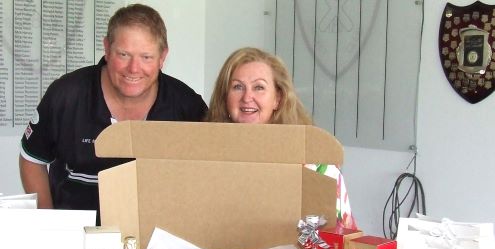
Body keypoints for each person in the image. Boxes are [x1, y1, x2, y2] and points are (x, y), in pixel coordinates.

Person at [19, 3, 207, 215]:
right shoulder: (66, 95)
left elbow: (213, 172)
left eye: (146, 57)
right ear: (107, 49)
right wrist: (49, 222)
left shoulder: (187, 105)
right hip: (78, 234)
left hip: (156, 240)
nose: (134, 68)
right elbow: (32, 160)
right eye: (124, 54)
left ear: (162, 57)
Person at [206, 47, 356, 229]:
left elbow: (342, 235)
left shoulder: (314, 163)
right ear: (225, 97)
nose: (247, 97)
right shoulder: (206, 157)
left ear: (277, 98)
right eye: (238, 87)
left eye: (259, 87)